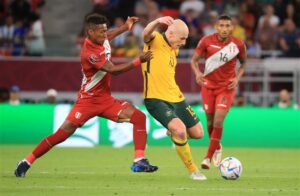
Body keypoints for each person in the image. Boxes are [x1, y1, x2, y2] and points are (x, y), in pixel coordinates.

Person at [15, 13, 158, 177]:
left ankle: (138, 161)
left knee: (139, 117)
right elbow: (113, 70)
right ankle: (27, 161)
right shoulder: (89, 53)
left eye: (105, 31)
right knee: (61, 135)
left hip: (105, 100)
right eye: (101, 32)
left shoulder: (102, 38)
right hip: (87, 101)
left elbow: (110, 35)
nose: (105, 34)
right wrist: (138, 61)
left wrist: (125, 27)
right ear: (90, 32)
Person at [142, 16, 206, 180]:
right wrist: (157, 21)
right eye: (182, 38)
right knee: (180, 129)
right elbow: (145, 33)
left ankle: (176, 137)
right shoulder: (154, 40)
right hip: (156, 98)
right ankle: (193, 171)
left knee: (198, 133)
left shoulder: (174, 49)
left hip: (176, 97)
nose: (184, 43)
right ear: (170, 34)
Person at [190, 15, 247, 169]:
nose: (224, 29)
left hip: (226, 88)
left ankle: (207, 158)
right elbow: (194, 60)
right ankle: (217, 147)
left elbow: (243, 64)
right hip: (208, 86)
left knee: (218, 121)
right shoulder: (206, 41)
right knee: (209, 122)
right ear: (216, 27)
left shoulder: (238, 44)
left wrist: (237, 79)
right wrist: (197, 73)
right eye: (221, 25)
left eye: (227, 26)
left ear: (232, 27)